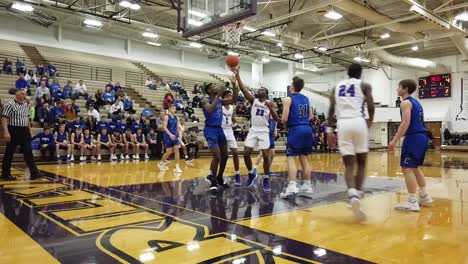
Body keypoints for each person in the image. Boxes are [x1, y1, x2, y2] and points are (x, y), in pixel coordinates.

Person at [326, 63, 375, 222]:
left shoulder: (337, 87)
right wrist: (370, 122)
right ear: (360, 73)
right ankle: (358, 195)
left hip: (343, 124)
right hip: (359, 121)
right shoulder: (364, 85)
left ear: (347, 73)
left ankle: (352, 195)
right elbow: (371, 105)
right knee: (361, 164)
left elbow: (332, 107)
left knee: (348, 165)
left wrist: (329, 130)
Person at [388, 79, 433, 212]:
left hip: (414, 137)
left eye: (399, 87)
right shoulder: (416, 102)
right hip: (421, 137)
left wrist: (394, 140)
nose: (397, 89)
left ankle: (412, 201)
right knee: (414, 168)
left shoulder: (405, 103)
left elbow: (405, 123)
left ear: (405, 89)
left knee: (406, 168)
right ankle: (424, 196)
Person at [238, 82, 279, 191]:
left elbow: (276, 118)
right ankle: (251, 173)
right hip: (253, 129)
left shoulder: (270, 103)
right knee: (246, 154)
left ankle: (266, 178)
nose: (259, 90)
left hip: (264, 131)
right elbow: (243, 89)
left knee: (266, 156)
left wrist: (270, 108)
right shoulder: (253, 100)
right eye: (259, 89)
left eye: (262, 89)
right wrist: (237, 76)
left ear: (266, 93)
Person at [203, 70, 239, 192]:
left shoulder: (220, 100)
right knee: (217, 156)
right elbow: (209, 110)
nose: (216, 86)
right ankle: (212, 180)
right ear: (209, 91)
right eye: (214, 86)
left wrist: (234, 84)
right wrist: (218, 96)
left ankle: (219, 177)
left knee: (225, 155)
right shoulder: (205, 100)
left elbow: (234, 99)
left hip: (220, 130)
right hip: (210, 130)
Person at [279, 77, 314, 198]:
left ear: (292, 86)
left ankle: (292, 186)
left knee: (291, 158)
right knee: (304, 158)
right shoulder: (306, 98)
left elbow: (284, 118)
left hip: (296, 129)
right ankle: (307, 185)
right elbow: (311, 116)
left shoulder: (288, 99)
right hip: (307, 128)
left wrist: (286, 122)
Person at [221, 90, 241, 185]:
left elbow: (233, 118)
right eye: (228, 95)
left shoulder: (232, 107)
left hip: (229, 130)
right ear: (224, 97)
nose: (230, 97)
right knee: (223, 155)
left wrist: (235, 121)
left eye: (231, 96)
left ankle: (237, 174)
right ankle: (218, 175)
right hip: (221, 130)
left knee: (235, 153)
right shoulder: (220, 107)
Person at [159, 105, 182, 172]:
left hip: (174, 136)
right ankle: (161, 163)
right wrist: (170, 134)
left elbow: (177, 128)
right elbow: (164, 127)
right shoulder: (166, 117)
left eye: (175, 108)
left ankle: (177, 167)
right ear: (169, 109)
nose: (174, 109)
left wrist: (179, 136)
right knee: (169, 152)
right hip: (167, 136)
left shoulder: (176, 118)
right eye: (173, 108)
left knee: (176, 150)